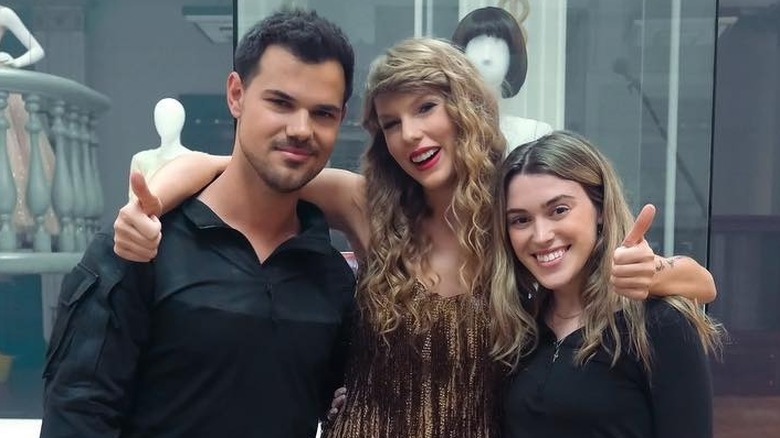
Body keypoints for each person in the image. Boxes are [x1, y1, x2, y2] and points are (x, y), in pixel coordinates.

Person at [113, 39, 716, 437]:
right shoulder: (366, 205)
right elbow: (224, 163)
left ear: (467, 109)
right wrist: (149, 208)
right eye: (392, 122)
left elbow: (689, 281)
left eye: (426, 107)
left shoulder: (516, 216)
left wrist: (665, 275)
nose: (411, 134)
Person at [40, 9, 356, 438]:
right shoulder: (141, 244)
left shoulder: (332, 277)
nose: (301, 129)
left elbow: (331, 406)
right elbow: (78, 416)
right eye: (280, 102)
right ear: (236, 95)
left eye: (323, 113)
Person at [494, 131, 722, 437]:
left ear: (599, 209)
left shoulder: (658, 324)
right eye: (520, 220)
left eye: (559, 210)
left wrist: (657, 269)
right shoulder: (518, 329)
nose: (541, 235)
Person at [451, 5, 552, 150]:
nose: (486, 57)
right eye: (477, 44)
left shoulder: (534, 134)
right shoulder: (446, 132)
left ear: (513, 58)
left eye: (498, 46)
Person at [0, 5, 57, 236]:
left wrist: (14, 63)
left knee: (12, 157)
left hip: (5, 95)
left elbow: (37, 50)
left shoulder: (4, 13)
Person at [128, 97, 191, 192]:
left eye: (171, 118)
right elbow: (134, 201)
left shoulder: (194, 160)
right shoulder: (141, 160)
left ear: (181, 120)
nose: (165, 123)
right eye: (160, 118)